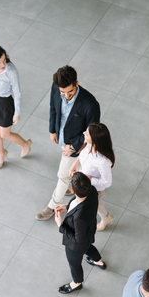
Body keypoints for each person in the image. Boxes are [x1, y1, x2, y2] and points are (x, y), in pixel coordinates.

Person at [36, 65, 100, 221]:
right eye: (62, 92)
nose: (66, 96)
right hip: (62, 139)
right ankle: (73, 185)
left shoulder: (90, 104)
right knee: (71, 171)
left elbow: (92, 132)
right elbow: (53, 108)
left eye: (70, 92)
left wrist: (73, 147)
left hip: (76, 146)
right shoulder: (56, 86)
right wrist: (52, 130)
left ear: (76, 84)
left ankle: (52, 206)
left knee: (63, 175)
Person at [55, 172, 105, 294]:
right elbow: (82, 204)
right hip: (89, 231)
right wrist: (68, 206)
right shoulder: (92, 190)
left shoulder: (78, 218)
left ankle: (77, 283)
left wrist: (60, 225)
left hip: (76, 245)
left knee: (74, 264)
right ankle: (99, 262)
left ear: (72, 190)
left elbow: (78, 240)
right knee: (88, 247)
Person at [68, 122, 115, 231]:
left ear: (94, 139)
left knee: (95, 205)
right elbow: (82, 156)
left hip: (94, 189)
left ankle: (106, 218)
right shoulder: (87, 144)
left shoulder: (102, 161)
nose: (83, 133)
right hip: (84, 183)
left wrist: (87, 179)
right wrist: (74, 165)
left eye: (87, 133)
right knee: (96, 204)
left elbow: (107, 183)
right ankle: (106, 217)